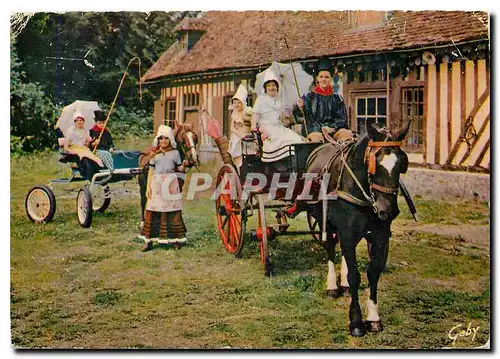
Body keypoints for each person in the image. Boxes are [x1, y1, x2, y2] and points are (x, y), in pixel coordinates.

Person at [140, 125, 189, 252]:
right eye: (161, 139)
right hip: (157, 184)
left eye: (166, 139)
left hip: (171, 184)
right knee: (153, 211)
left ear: (170, 139)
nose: (163, 141)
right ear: (158, 140)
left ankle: (175, 240)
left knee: (172, 211)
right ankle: (149, 241)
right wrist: (148, 188)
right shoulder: (154, 153)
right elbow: (151, 170)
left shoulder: (175, 153)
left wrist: (184, 165)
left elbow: (179, 169)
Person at [293, 58, 351, 142]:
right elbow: (299, 116)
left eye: (327, 77)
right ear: (317, 78)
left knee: (347, 134)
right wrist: (299, 107)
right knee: (316, 138)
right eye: (321, 77)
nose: (324, 79)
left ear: (331, 78)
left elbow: (342, 119)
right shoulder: (308, 97)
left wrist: (332, 128)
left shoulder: (337, 98)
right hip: (315, 131)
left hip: (333, 131)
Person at [252, 69, 305, 162]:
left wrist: (286, 118)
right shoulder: (261, 100)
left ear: (277, 87)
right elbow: (255, 115)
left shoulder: (281, 100)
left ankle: (293, 162)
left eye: (273, 85)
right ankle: (279, 162)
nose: (271, 88)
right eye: (268, 85)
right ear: (265, 88)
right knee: (280, 139)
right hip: (267, 127)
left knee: (295, 138)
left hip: (280, 127)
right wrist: (254, 129)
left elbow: (287, 119)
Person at [227, 84, 252, 167]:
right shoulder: (234, 113)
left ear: (243, 102)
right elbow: (232, 128)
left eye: (239, 102)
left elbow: (253, 124)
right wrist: (240, 134)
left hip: (248, 135)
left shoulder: (248, 111)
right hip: (237, 135)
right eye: (234, 103)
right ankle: (239, 166)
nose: (237, 105)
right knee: (237, 145)